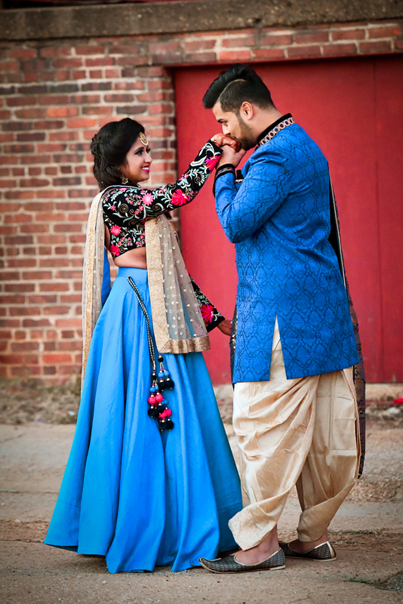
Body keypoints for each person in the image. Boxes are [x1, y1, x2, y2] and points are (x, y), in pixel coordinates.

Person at [44, 117, 243, 573]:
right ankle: (140, 529)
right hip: (136, 315)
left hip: (158, 306)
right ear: (117, 165)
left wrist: (216, 320)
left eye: (148, 149)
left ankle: (181, 522)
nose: (148, 157)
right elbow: (180, 194)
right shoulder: (119, 199)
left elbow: (173, 275)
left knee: (179, 418)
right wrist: (212, 148)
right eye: (139, 152)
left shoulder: (138, 205)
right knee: (140, 417)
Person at [198, 64, 365, 574]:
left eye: (226, 122)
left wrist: (223, 173)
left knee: (260, 427)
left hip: (280, 320)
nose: (223, 134)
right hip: (319, 316)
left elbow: (236, 222)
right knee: (323, 437)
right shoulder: (304, 144)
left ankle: (262, 544)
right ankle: (312, 537)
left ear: (247, 109)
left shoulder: (273, 154)